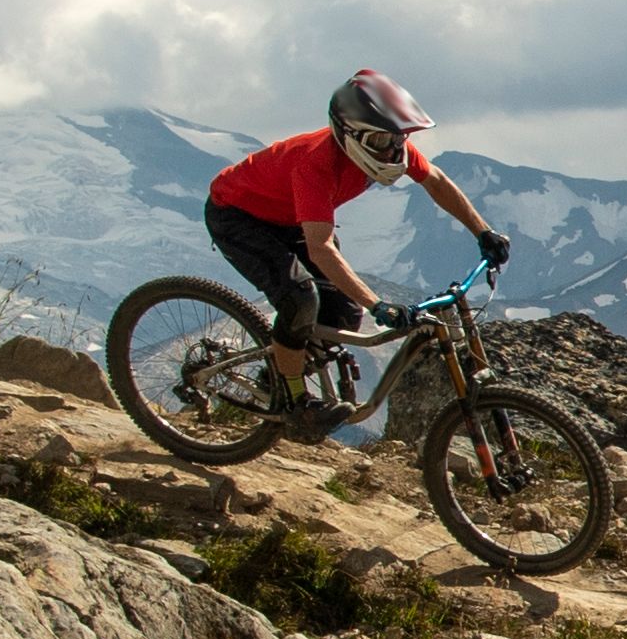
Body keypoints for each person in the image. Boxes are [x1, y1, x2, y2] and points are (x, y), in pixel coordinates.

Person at [205, 68, 508, 395]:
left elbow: (435, 181)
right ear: (350, 135)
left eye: (399, 138)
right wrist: (377, 305)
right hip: (238, 214)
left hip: (292, 218)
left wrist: (483, 232)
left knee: (345, 314)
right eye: (381, 141)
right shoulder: (315, 164)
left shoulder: (389, 151)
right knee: (299, 298)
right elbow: (321, 248)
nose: (393, 151)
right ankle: (292, 395)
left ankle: (278, 373)